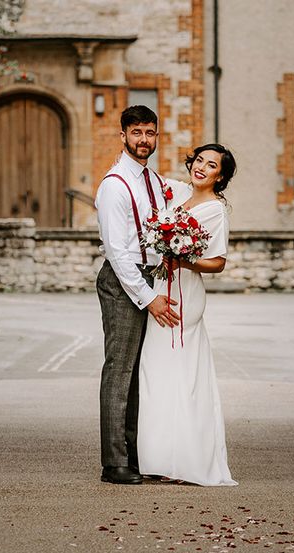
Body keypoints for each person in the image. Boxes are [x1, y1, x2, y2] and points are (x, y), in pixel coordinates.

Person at [137, 144, 238, 486]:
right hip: (160, 289)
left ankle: (186, 461)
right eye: (199, 160)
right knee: (155, 371)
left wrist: (184, 260)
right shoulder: (178, 194)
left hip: (185, 294)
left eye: (211, 165)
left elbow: (218, 262)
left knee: (182, 375)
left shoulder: (215, 211)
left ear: (219, 176)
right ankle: (158, 457)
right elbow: (147, 180)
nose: (202, 167)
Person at [95, 105, 180, 485]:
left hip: (150, 277)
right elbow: (117, 252)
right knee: (120, 370)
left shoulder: (154, 180)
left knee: (141, 373)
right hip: (123, 281)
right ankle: (114, 463)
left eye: (150, 133)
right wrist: (148, 296)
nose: (144, 140)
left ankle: (136, 453)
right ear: (123, 135)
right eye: (137, 133)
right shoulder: (115, 185)